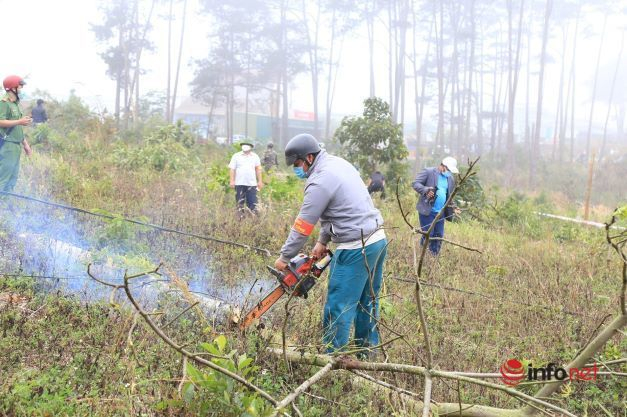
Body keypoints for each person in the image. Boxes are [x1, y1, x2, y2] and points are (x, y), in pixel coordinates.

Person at [274, 133, 387, 356]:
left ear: (308, 157)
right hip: (377, 240)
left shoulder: (319, 181)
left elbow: (302, 226)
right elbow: (335, 209)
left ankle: (332, 359)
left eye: (297, 164)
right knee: (368, 302)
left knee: (338, 306)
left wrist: (284, 258)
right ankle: (368, 354)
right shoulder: (338, 164)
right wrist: (322, 241)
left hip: (355, 247)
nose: (297, 169)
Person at [411, 156, 460, 255]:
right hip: (427, 210)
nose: (449, 173)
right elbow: (415, 183)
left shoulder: (450, 179)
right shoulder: (429, 172)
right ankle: (423, 254)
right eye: (449, 170)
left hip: (440, 213)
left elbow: (449, 195)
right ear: (443, 166)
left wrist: (453, 207)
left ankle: (433, 257)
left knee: (439, 236)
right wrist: (425, 190)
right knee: (429, 234)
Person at [0, 75, 32, 193]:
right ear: (12, 88)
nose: (22, 89)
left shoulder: (16, 104)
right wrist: (19, 121)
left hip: (16, 145)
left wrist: (25, 144)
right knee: (4, 177)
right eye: (20, 86)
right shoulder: (4, 103)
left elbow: (16, 127)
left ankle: (5, 205)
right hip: (7, 145)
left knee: (12, 178)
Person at [228, 142, 263, 215]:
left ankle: (253, 219)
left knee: (253, 203)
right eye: (243, 145)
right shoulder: (236, 156)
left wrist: (260, 181)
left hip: (251, 184)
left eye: (247, 146)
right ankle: (240, 219)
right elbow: (232, 169)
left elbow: (258, 169)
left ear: (251, 147)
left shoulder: (255, 156)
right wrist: (232, 181)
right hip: (239, 183)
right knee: (240, 202)